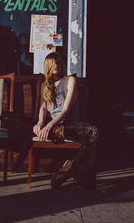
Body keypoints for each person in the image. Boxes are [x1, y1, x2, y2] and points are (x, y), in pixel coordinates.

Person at [33, 52, 99, 189]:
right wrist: (40, 123)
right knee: (89, 139)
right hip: (55, 128)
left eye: (58, 61)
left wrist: (49, 124)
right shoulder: (45, 85)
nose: (56, 64)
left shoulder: (70, 80)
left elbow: (66, 110)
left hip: (70, 124)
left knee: (94, 132)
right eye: (53, 62)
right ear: (48, 66)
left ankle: (70, 169)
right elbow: (43, 108)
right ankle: (85, 178)